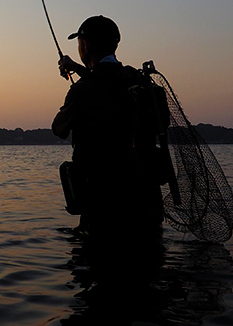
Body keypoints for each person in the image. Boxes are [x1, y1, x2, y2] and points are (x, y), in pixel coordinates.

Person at [52, 15, 164, 262]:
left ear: (86, 45)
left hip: (104, 209)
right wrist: (81, 71)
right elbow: (111, 85)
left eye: (79, 41)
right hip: (146, 204)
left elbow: (59, 128)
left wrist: (79, 83)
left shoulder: (83, 89)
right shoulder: (138, 81)